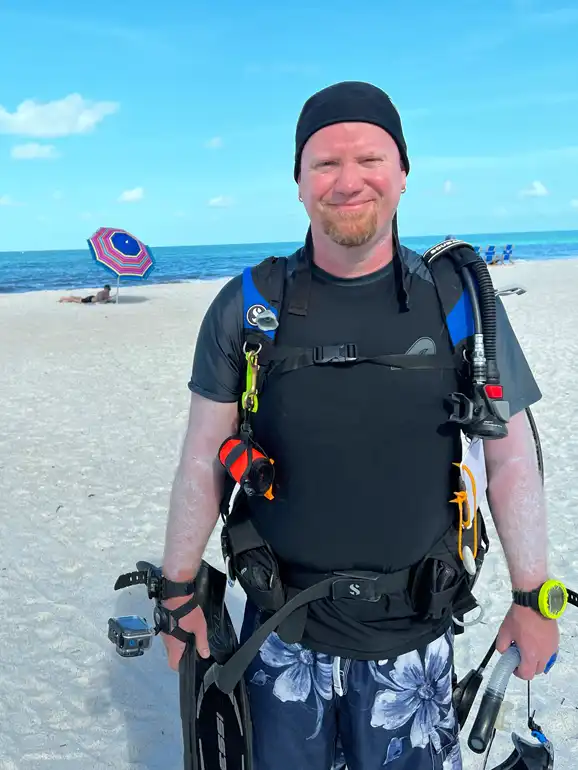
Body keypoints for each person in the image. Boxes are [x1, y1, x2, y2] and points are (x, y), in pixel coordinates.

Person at [159, 82, 559, 769]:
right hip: (280, 640)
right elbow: (203, 456)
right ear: (298, 182)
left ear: (403, 173)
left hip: (415, 642)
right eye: (325, 164)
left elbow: (512, 457)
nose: (349, 182)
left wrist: (533, 598)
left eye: (370, 158)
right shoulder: (249, 306)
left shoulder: (459, 301)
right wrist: (177, 591)